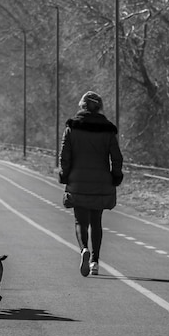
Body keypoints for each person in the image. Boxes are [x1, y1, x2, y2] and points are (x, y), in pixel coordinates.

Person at [58, 91, 123, 277]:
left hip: (77, 181)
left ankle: (84, 249)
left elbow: (64, 155)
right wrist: (115, 176)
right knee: (96, 221)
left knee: (80, 220)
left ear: (82, 106)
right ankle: (95, 261)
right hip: (101, 182)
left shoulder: (72, 127)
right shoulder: (108, 130)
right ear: (99, 107)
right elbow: (117, 157)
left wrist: (65, 174)